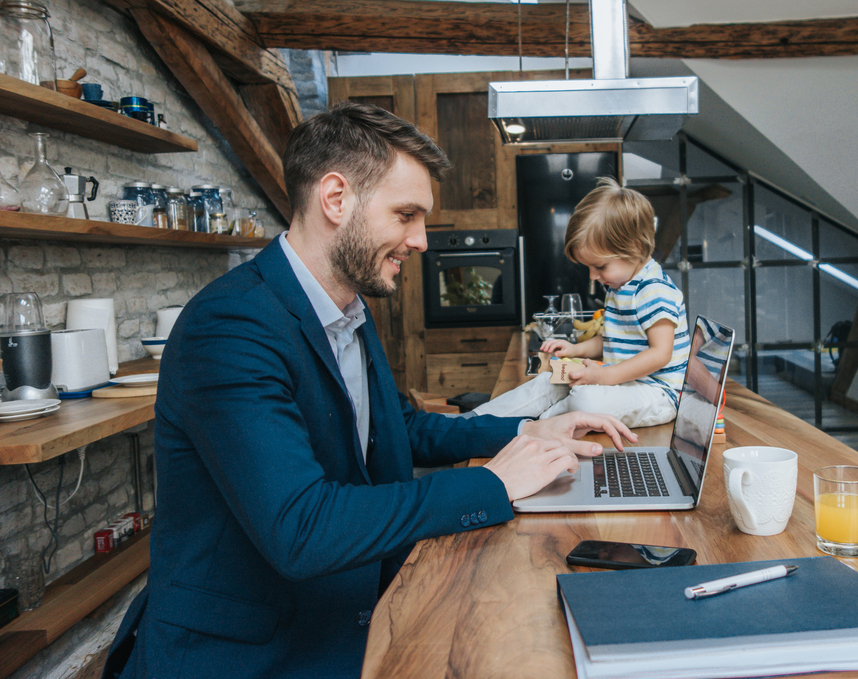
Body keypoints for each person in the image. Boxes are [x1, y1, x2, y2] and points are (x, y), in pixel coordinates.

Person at [101, 102, 635, 679]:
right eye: (406, 215)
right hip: (251, 655)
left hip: (348, 612)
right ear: (336, 199)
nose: (423, 241)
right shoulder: (231, 327)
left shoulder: (345, 306)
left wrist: (528, 432)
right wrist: (493, 482)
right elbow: (302, 527)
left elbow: (397, 430)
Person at [474, 177, 689, 428]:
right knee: (551, 377)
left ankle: (535, 427)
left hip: (658, 394)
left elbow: (660, 354)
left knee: (586, 399)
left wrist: (604, 375)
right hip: (622, 384)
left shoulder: (654, 290)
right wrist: (574, 349)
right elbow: (611, 338)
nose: (593, 276)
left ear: (635, 248)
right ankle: (475, 421)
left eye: (600, 266)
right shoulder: (620, 284)